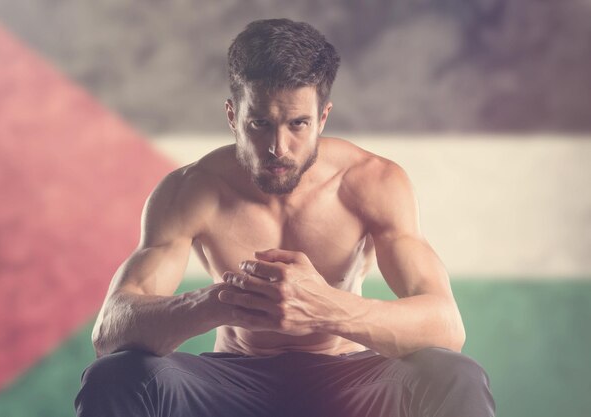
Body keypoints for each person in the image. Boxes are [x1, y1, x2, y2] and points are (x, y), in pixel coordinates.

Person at [75, 18, 495, 417]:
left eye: (298, 124)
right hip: (231, 380)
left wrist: (326, 309)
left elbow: (446, 327)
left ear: (322, 118)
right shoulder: (190, 190)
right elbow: (110, 331)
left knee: (456, 376)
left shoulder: (373, 183)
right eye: (259, 123)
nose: (278, 146)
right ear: (232, 116)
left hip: (350, 379)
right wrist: (220, 301)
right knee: (115, 375)